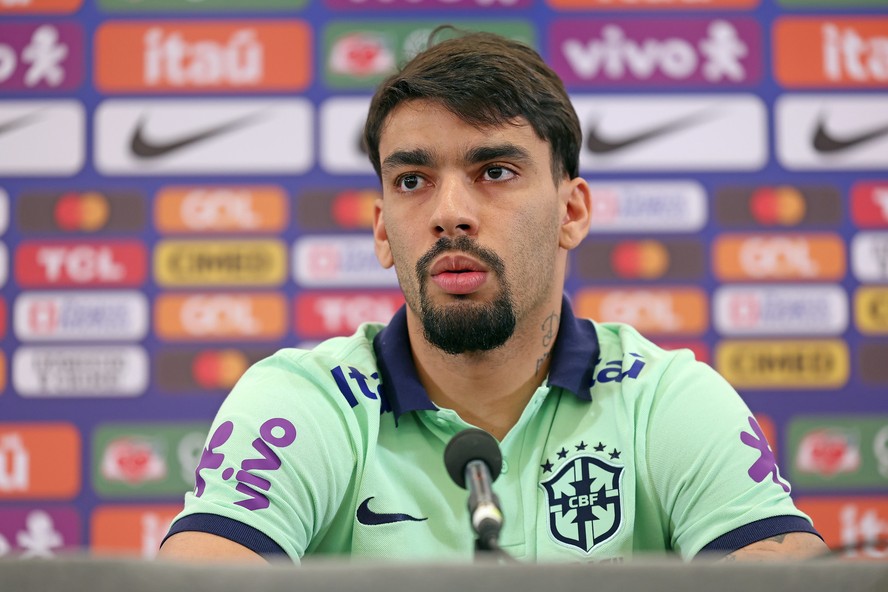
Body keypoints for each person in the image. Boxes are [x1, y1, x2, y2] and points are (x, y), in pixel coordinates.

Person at [158, 28, 828, 564]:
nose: (451, 214)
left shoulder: (666, 400)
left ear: (571, 211)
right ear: (383, 229)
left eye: (495, 171)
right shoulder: (302, 403)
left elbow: (783, 569)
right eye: (413, 181)